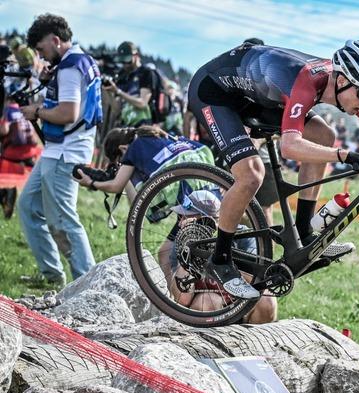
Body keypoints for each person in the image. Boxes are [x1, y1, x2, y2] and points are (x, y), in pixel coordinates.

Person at [187, 39, 359, 299]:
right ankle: (219, 259)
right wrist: (346, 156)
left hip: (255, 96)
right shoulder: (306, 83)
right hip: (215, 93)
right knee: (252, 174)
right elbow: (290, 147)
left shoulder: (337, 82)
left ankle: (303, 230)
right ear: (341, 81)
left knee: (323, 134)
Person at [73, 126, 277, 323]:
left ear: (122, 150)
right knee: (169, 254)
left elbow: (120, 187)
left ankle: (182, 302)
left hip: (194, 201)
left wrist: (92, 183)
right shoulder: (166, 138)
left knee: (262, 299)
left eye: (118, 162)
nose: (181, 222)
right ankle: (174, 302)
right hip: (206, 188)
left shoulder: (134, 148)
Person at [18, 14, 102, 286]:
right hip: (59, 151)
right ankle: (52, 275)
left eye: (42, 49)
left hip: (65, 153)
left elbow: (68, 112)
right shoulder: (79, 61)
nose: (41, 55)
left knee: (64, 222)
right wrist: (48, 81)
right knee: (28, 207)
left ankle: (88, 284)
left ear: (55, 40)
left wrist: (36, 111)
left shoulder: (68, 68)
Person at [104, 41, 155, 127]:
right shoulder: (122, 75)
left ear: (136, 56)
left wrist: (119, 92)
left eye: (127, 61)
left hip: (143, 125)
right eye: (122, 62)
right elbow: (116, 110)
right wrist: (109, 91)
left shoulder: (146, 72)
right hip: (125, 126)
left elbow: (142, 103)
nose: (125, 65)